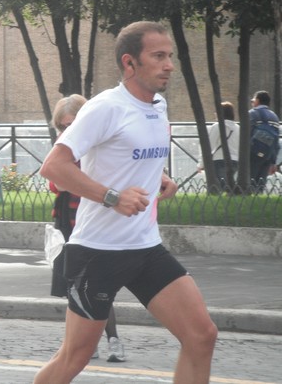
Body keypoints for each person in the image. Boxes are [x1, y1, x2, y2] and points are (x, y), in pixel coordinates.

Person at [34, 21, 217, 384]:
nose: (168, 65)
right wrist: (112, 197)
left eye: (170, 56)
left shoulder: (158, 105)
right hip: (98, 252)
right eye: (159, 56)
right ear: (130, 63)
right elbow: (53, 167)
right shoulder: (105, 107)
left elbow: (133, 155)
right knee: (75, 355)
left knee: (201, 335)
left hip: (145, 248)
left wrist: (158, 177)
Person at [49, 94, 125, 363]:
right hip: (71, 224)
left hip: (97, 224)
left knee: (100, 286)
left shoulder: (97, 146)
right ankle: (82, 344)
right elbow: (54, 183)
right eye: (62, 127)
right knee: (75, 287)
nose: (67, 131)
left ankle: (113, 340)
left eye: (72, 124)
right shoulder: (65, 148)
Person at [197, 101, 240, 192]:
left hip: (219, 160)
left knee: (220, 187)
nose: (215, 114)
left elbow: (208, 146)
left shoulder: (216, 127)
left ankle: (224, 203)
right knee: (229, 184)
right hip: (235, 161)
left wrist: (201, 164)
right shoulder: (238, 128)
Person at [249, 90, 280, 193]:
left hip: (252, 154)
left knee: (250, 183)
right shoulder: (275, 117)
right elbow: (276, 142)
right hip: (267, 155)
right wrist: (273, 162)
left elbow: (245, 135)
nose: (252, 103)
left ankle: (248, 205)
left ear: (257, 101)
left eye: (253, 101)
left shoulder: (252, 113)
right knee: (260, 185)